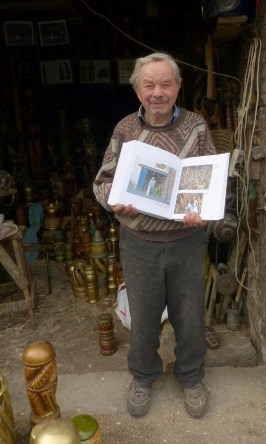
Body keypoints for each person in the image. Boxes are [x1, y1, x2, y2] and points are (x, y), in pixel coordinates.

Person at [93, 52, 216, 419]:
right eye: (149, 85)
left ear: (178, 87)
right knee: (143, 316)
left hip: (187, 242)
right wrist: (116, 201)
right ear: (137, 90)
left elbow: (207, 178)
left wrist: (203, 212)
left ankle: (191, 377)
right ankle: (143, 376)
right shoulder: (125, 130)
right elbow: (103, 181)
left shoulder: (196, 127)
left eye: (166, 84)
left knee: (190, 315)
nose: (157, 92)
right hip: (140, 243)